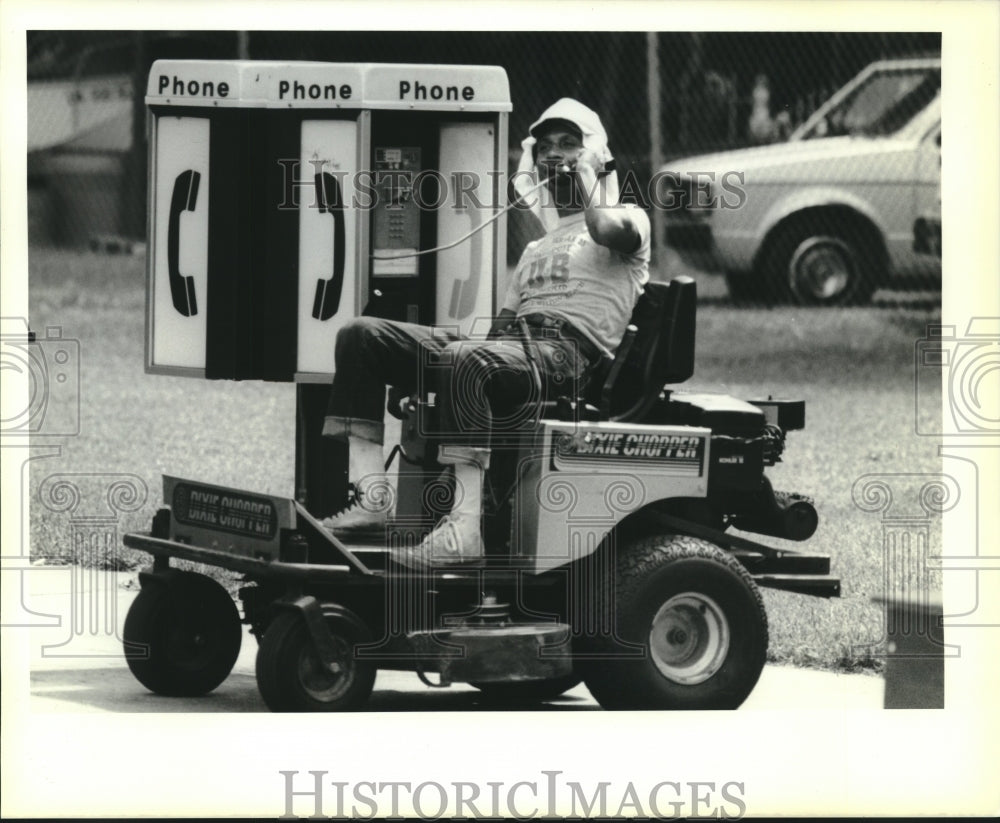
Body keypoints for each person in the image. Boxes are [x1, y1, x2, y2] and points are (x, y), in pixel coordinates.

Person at [321, 98, 651, 569]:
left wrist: (591, 175)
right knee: (362, 335)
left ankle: (464, 530)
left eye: (569, 144)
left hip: (569, 358)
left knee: (466, 359)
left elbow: (603, 225)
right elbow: (497, 330)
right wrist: (424, 374)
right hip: (511, 350)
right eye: (546, 146)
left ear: (595, 152)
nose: (554, 155)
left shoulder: (629, 217)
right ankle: (373, 500)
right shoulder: (538, 245)